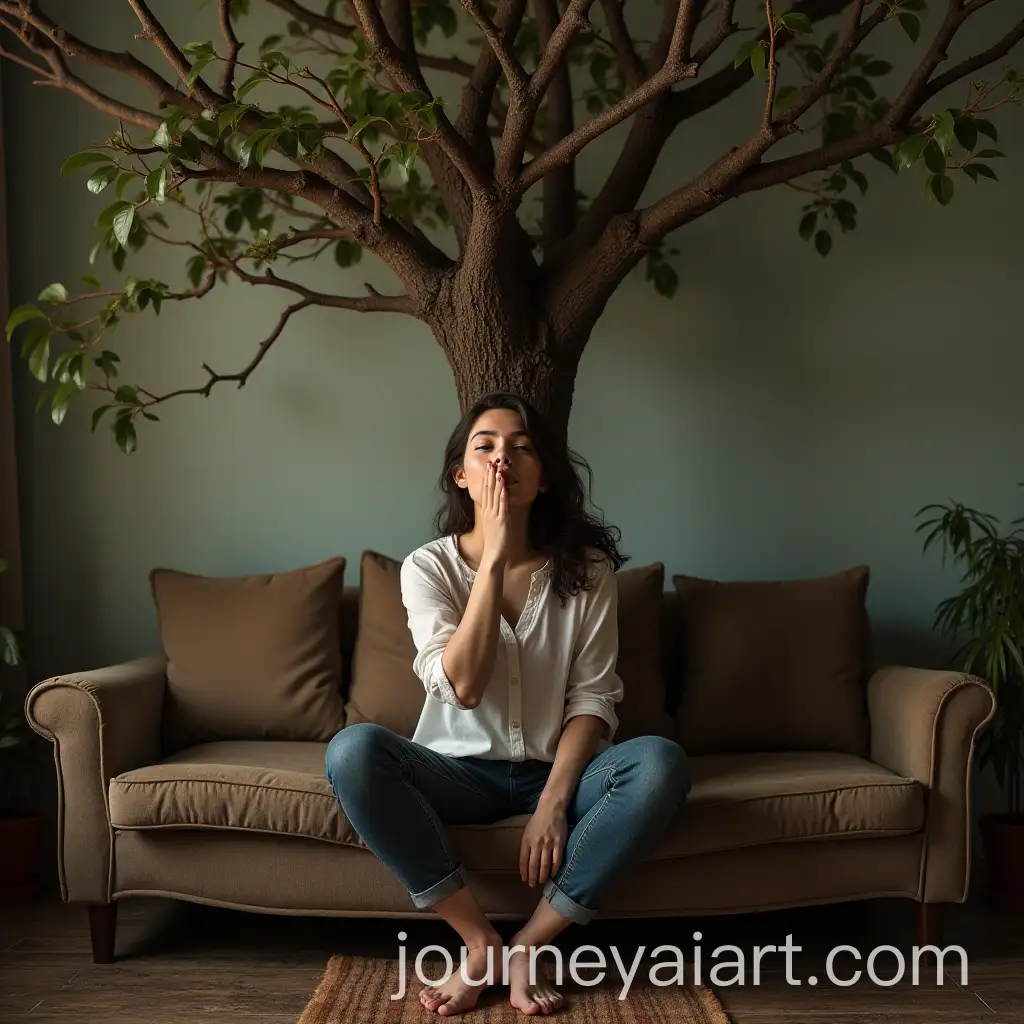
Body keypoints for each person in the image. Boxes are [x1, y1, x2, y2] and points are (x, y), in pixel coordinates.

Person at [325, 391, 691, 1016]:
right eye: (485, 447)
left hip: (561, 770)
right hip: (458, 772)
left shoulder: (589, 571)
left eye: (522, 447)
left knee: (660, 763)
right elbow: (462, 686)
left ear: (544, 476)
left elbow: (594, 698)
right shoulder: (427, 569)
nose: (503, 460)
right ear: (460, 476)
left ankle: (528, 945)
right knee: (352, 750)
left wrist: (553, 801)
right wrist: (492, 559)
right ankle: (477, 941)